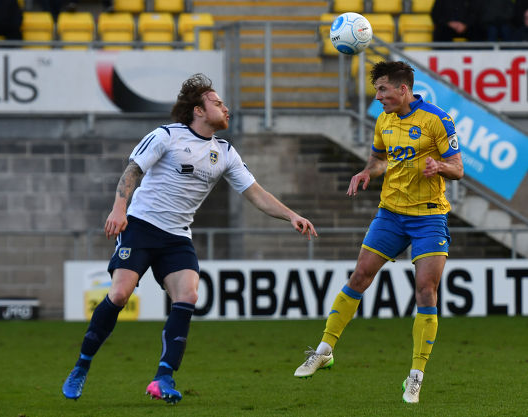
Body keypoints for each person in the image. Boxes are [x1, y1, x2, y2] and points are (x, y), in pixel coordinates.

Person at [62, 73, 318, 404]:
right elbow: (132, 171)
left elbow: (256, 194)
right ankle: (81, 366)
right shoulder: (166, 136)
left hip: (176, 236)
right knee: (121, 294)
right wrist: (118, 209)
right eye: (217, 103)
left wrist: (292, 215)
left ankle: (163, 377)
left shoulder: (224, 152)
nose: (226, 108)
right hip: (140, 226)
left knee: (189, 295)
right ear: (198, 110)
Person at [293, 61, 464, 404]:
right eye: (377, 91)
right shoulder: (384, 119)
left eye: (383, 90)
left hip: (429, 216)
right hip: (390, 214)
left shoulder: (438, 119)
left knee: (426, 290)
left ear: (403, 89)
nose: (379, 97)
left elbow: (458, 168)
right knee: (359, 276)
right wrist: (367, 172)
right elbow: (380, 159)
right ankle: (324, 350)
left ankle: (415, 376)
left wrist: (440, 166)